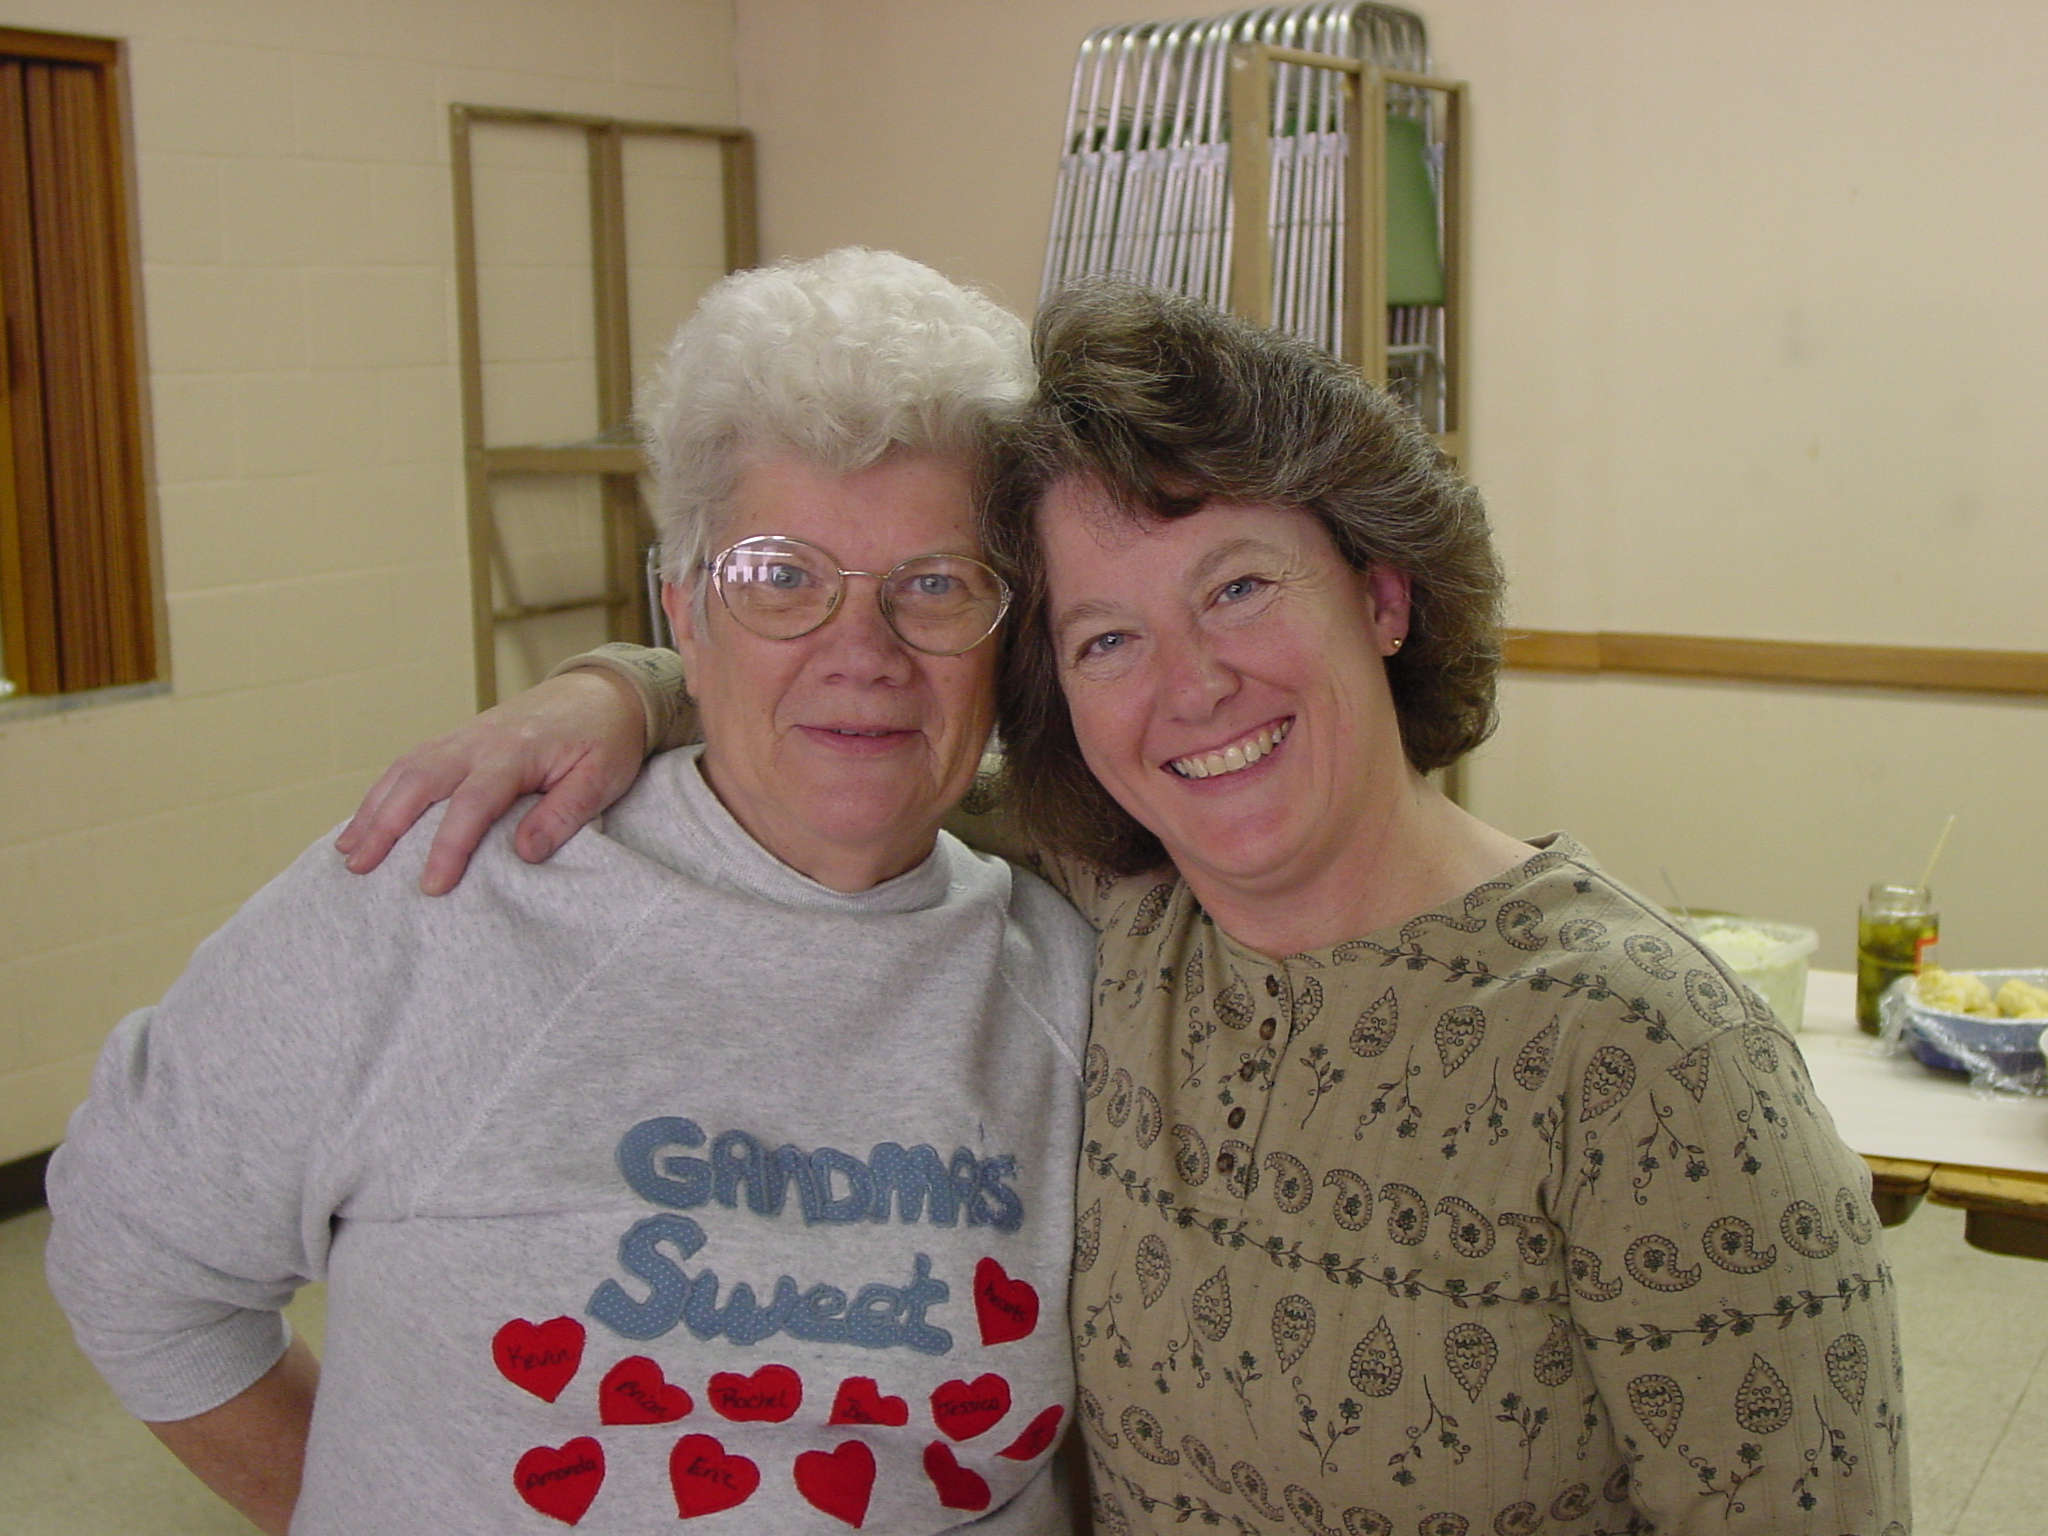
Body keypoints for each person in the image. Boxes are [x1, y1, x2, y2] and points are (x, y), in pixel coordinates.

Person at [336, 280, 1911, 1534]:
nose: (1190, 685)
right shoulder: (1119, 907)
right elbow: (858, 706)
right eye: (1105, 639)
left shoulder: (1647, 1056)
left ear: (1381, 593)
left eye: (1239, 586)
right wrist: (626, 685)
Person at [46, 248, 1095, 1536]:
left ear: (1007, 628)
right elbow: (132, 1254)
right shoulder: (446, 892)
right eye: (781, 578)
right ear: (682, 615)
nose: (861, 652)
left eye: (934, 585)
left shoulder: (1068, 975)